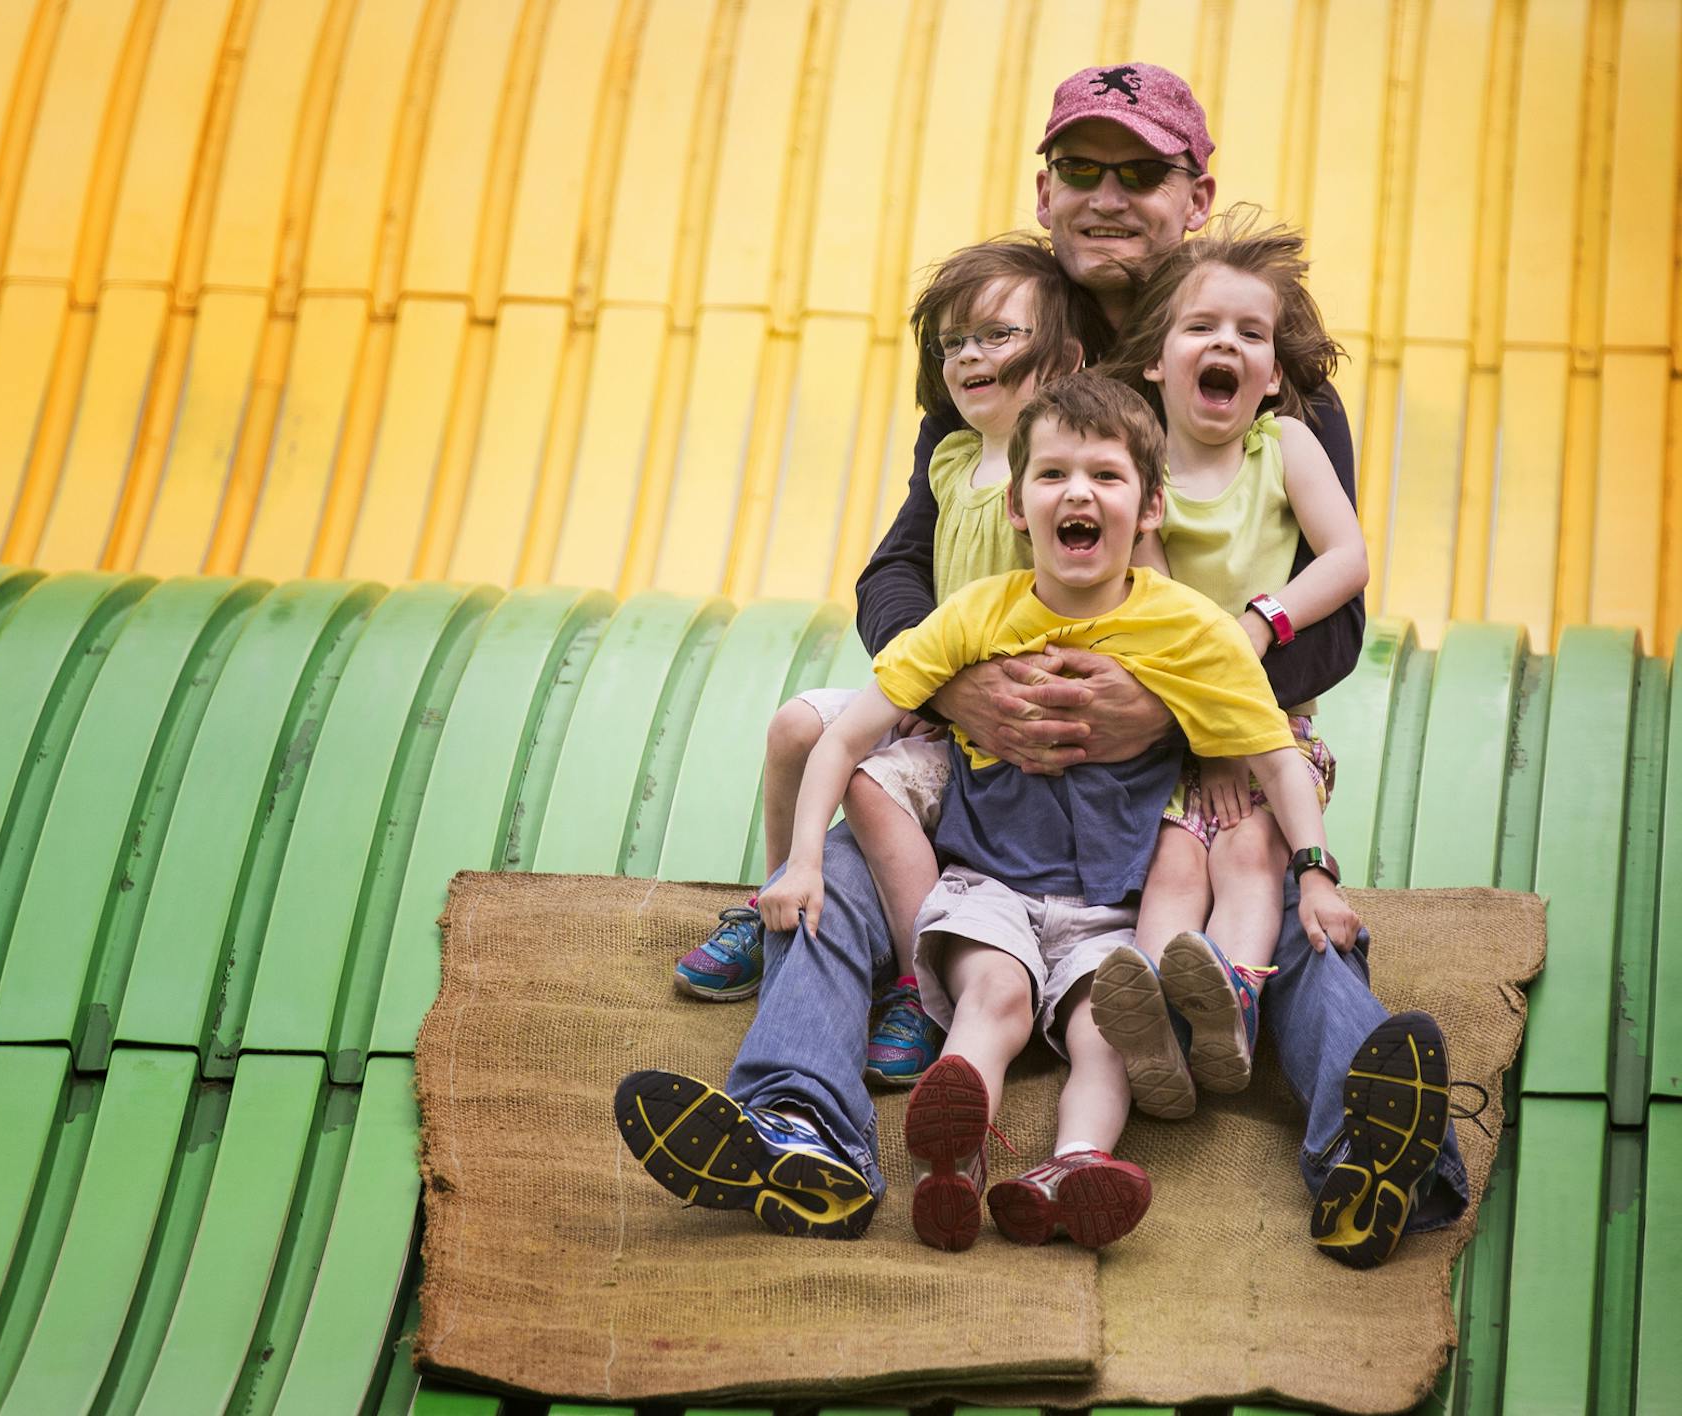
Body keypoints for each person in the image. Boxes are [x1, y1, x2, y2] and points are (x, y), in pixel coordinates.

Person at [623, 62, 1470, 1267]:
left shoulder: (1268, 379)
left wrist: (1174, 705)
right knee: (848, 876)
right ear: (1047, 187)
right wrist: (960, 682)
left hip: (1205, 754)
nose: (1109, 195)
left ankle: (1376, 1162)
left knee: (1275, 918)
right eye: (1084, 169)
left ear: (1196, 192)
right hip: (992, 751)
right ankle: (799, 1132)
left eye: (1142, 171)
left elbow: (1336, 615)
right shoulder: (1006, 340)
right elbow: (899, 573)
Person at [616, 372, 1364, 1251]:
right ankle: (952, 1162)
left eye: (1106, 477)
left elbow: (1275, 759)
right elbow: (844, 736)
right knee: (994, 998)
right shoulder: (975, 617)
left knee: (1107, 1026)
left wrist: (1315, 877)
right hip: (989, 889)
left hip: (1113, 910)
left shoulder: (1193, 632)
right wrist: (800, 866)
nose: (1077, 493)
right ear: (1016, 506)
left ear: (1151, 505)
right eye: (1051, 476)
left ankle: (1074, 1167)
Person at [671, 238, 1111, 1091]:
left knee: (876, 789)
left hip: (999, 708)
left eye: (997, 336)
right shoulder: (950, 458)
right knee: (797, 725)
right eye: (954, 344)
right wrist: (926, 680)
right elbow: (897, 572)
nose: (970, 356)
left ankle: (920, 982)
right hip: (936, 681)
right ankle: (773, 901)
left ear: (1064, 358)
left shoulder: (1054, 468)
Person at [1082, 217, 1370, 1122]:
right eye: (1202, 327)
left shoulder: (1284, 448)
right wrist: (1203, 709)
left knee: (1248, 850)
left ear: (1275, 376)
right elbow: (1155, 599)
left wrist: (1262, 620)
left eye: (1251, 336)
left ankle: (1234, 996)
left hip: (1274, 724)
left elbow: (1347, 558)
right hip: (1179, 726)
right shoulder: (1141, 465)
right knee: (1173, 864)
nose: (1227, 346)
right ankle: (1160, 1017)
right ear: (1157, 362)